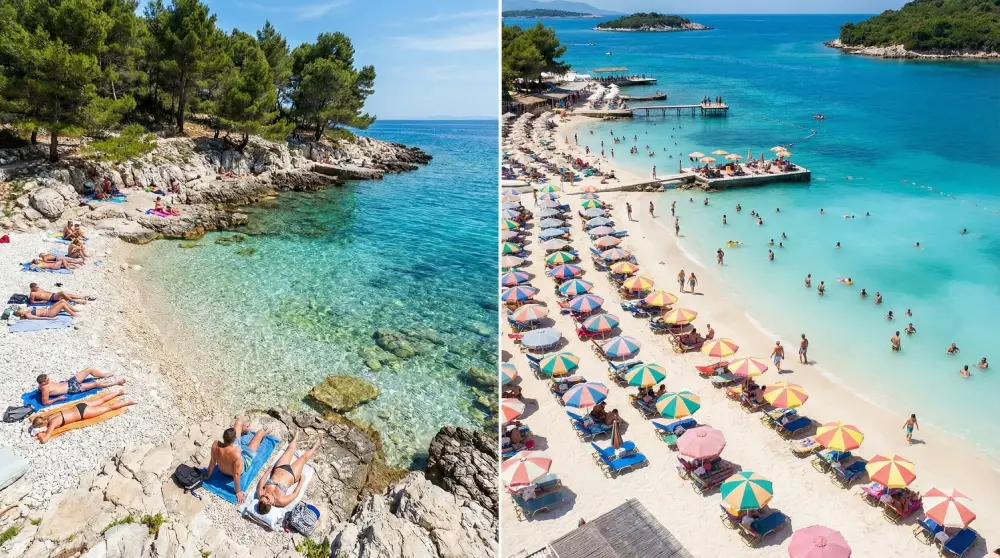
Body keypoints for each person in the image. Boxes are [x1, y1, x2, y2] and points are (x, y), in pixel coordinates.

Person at [206, 417, 272, 504]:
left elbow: (212, 462)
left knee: (239, 421)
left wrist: (208, 475)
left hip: (223, 469)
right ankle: (267, 430)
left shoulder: (216, 445)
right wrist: (238, 492)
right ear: (234, 439)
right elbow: (236, 474)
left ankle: (247, 429)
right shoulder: (236, 453)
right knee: (259, 434)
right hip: (242, 463)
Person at [30, 389, 135, 443]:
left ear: (42, 424)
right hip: (79, 406)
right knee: (101, 400)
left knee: (109, 408)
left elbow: (44, 439)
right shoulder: (49, 417)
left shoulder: (52, 423)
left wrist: (39, 433)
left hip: (83, 413)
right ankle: (119, 392)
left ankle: (129, 402)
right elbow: (37, 418)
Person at [255, 431, 323, 514]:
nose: (264, 495)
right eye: (266, 497)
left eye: (262, 497)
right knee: (303, 458)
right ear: (269, 502)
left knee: (290, 449)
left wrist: (268, 471)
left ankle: (296, 435)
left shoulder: (261, 494)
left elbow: (262, 481)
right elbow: (294, 494)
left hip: (279, 468)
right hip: (292, 475)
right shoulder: (281, 501)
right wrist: (301, 482)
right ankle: (315, 446)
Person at [36, 369, 125, 406]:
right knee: (95, 384)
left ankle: (104, 375)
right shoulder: (45, 389)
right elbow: (45, 402)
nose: (49, 379)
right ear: (43, 383)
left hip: (70, 382)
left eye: (48, 378)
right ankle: (117, 382)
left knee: (89, 369)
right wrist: (58, 398)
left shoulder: (42, 385)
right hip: (72, 388)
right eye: (47, 380)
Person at [14, 300, 79, 319]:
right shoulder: (28, 315)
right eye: (20, 311)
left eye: (20, 310)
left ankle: (74, 310)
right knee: (63, 305)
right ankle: (74, 314)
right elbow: (38, 318)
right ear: (21, 315)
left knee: (62, 301)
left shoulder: (27, 310)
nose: (22, 310)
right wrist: (50, 319)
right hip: (49, 313)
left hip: (48, 309)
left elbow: (36, 308)